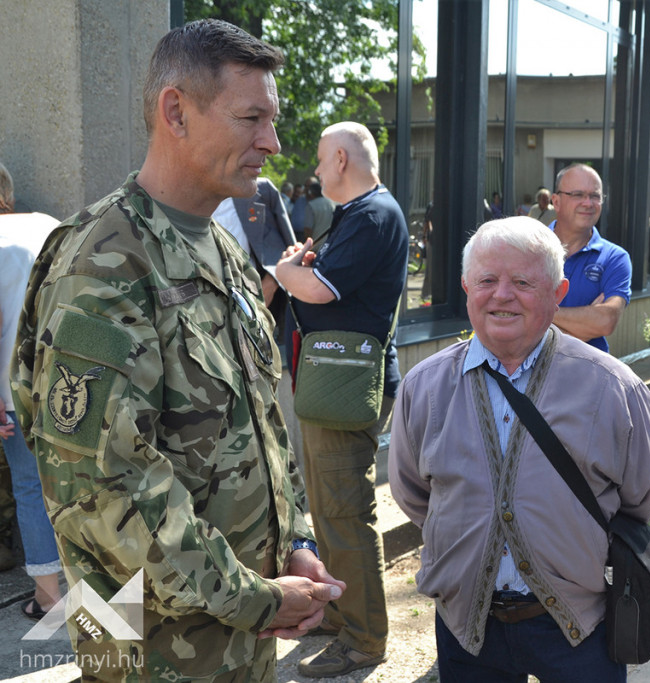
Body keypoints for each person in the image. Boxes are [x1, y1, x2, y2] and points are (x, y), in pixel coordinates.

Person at [10, 19, 345, 681]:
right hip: (149, 654)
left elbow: (264, 421)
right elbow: (104, 488)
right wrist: (256, 599)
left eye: (272, 120)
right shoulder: (102, 264)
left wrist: (296, 541)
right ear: (176, 112)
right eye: (251, 118)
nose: (272, 143)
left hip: (241, 637)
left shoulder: (223, 252)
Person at [389, 216, 650, 682]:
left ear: (558, 293)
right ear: (466, 288)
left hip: (581, 625)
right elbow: (414, 494)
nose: (502, 295)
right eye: (487, 281)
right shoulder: (425, 387)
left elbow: (641, 496)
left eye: (522, 282)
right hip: (466, 626)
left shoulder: (612, 388)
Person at [276, 121, 408, 678]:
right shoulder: (361, 214)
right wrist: (303, 271)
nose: (314, 169)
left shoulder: (372, 215)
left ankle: (363, 638)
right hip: (334, 385)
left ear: (340, 159)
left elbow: (318, 288)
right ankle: (341, 613)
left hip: (344, 389)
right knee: (331, 512)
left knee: (345, 515)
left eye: (319, 158)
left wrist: (286, 271)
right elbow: (328, 282)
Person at [0, 160, 62, 619]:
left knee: (29, 487)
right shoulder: (51, 225)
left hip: (15, 389)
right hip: (73, 386)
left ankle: (49, 599)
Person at [550, 164, 631, 352]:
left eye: (595, 196)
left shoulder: (614, 257)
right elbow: (510, 316)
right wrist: (585, 321)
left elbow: (606, 321)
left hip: (588, 368)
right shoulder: (528, 249)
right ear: (556, 202)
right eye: (577, 195)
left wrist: (537, 315)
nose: (588, 203)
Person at [212, 176, 296, 337]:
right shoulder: (182, 192)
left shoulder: (260, 190)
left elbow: (285, 244)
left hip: (254, 296)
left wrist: (271, 283)